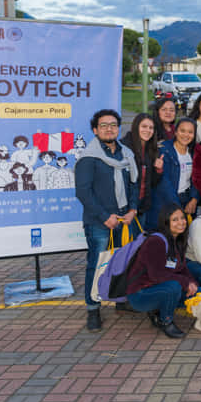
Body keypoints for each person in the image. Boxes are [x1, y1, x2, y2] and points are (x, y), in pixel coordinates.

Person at [75, 109, 139, 332]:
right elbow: (83, 192)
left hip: (124, 219)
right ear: (95, 130)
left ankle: (121, 300)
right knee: (97, 264)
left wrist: (132, 209)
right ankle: (93, 309)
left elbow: (134, 184)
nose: (109, 128)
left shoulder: (127, 155)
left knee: (123, 261)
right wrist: (105, 217)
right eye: (103, 125)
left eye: (113, 124)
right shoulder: (88, 158)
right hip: (99, 222)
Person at [125, 204, 198, 338]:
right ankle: (165, 321)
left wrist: (191, 282)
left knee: (196, 293)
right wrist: (184, 282)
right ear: (166, 222)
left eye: (182, 218)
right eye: (175, 219)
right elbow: (156, 275)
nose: (181, 222)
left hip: (158, 287)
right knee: (174, 287)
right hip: (140, 294)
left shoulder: (178, 239)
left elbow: (182, 268)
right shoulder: (156, 241)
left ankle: (157, 309)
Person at [151, 118, 199, 225]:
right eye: (182, 131)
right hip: (166, 200)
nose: (186, 135)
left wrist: (194, 199)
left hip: (187, 199)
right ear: (176, 132)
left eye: (190, 132)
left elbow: (198, 178)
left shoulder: (195, 152)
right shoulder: (164, 150)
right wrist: (177, 207)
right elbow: (164, 181)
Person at [120, 113, 163, 230]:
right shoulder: (124, 147)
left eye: (151, 128)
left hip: (142, 207)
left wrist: (158, 170)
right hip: (125, 208)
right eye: (144, 126)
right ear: (136, 127)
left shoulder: (151, 150)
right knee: (125, 246)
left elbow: (152, 183)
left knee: (137, 244)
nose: (148, 130)